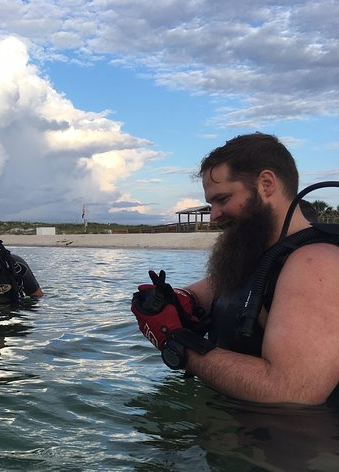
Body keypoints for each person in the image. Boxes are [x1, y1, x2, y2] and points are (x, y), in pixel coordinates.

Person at [131, 132, 339, 405]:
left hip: (293, 443)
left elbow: (293, 390)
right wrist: (167, 303)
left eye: (223, 199)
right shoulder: (254, 255)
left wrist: (180, 346)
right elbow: (195, 295)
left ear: (266, 184)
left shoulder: (316, 263)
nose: (214, 214)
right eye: (210, 204)